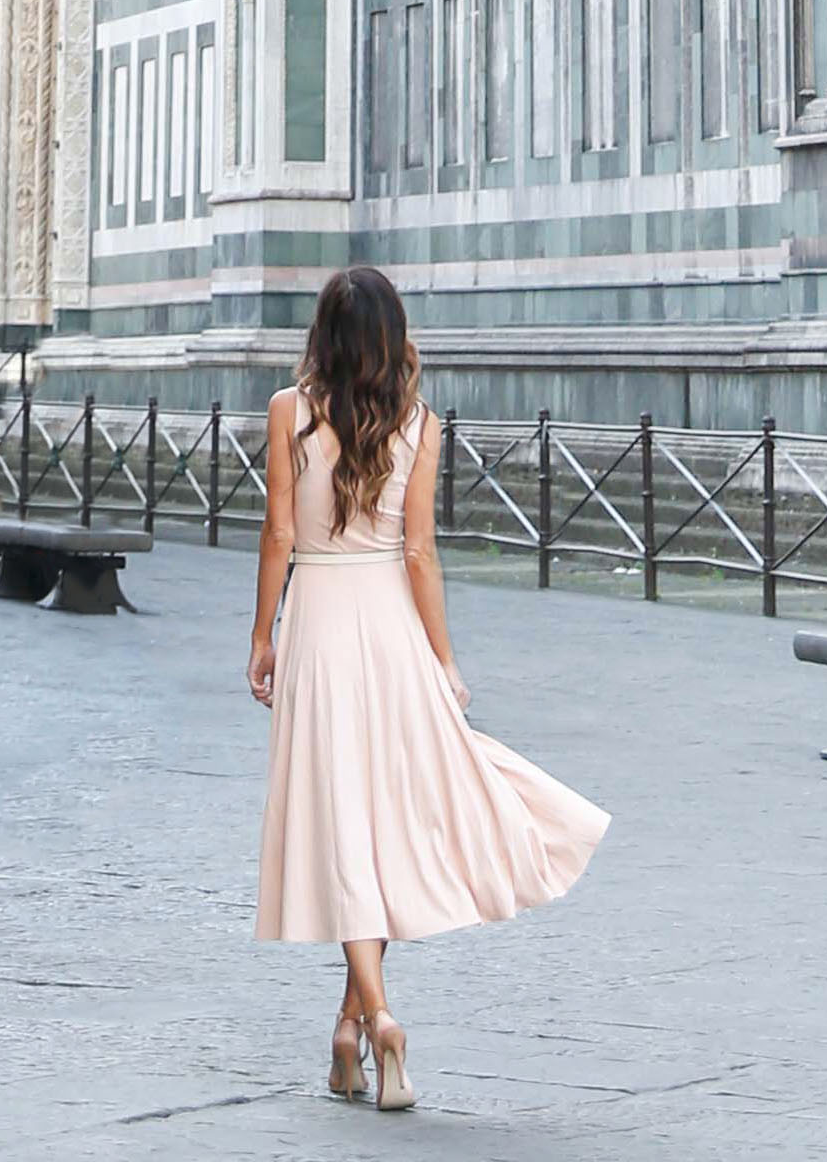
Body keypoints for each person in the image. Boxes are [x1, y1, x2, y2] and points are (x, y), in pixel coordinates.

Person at [249, 263, 605, 1109]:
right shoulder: (419, 422)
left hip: (323, 623)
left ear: (324, 339)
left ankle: (378, 1020)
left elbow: (276, 536)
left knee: (344, 829)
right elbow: (419, 552)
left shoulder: (288, 413)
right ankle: (347, 1034)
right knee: (383, 826)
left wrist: (262, 637)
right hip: (393, 628)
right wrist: (442, 659)